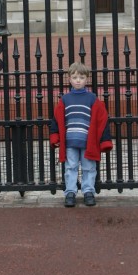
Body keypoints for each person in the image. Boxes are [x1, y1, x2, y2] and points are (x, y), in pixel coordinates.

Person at [50, 62, 113, 207]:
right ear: (69, 79)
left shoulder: (92, 98)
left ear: (87, 79)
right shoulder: (65, 99)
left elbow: (101, 120)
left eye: (82, 77)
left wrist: (105, 141)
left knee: (89, 167)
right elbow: (56, 119)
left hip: (87, 142)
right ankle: (70, 192)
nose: (78, 80)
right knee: (70, 167)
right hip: (70, 142)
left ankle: (88, 192)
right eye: (75, 77)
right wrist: (55, 137)